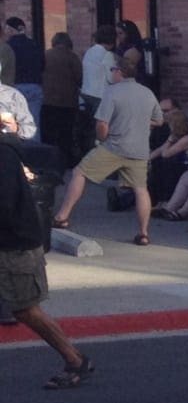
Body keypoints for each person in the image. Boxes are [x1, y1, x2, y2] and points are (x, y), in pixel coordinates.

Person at [0, 136, 89, 389]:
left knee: (25, 309)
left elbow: (4, 203)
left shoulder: (3, 155)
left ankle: (75, 361)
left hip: (15, 246)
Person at [51, 48, 160, 244]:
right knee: (140, 189)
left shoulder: (112, 92)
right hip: (139, 149)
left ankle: (62, 216)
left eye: (113, 70)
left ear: (119, 72)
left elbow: (102, 123)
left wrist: (103, 139)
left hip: (114, 145)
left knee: (79, 172)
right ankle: (144, 233)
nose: (111, 73)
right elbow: (158, 120)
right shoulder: (147, 93)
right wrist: (139, 123)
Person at [38, 33, 82, 169]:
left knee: (48, 134)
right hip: (68, 102)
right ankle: (65, 162)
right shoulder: (73, 57)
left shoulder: (46, 55)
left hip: (48, 101)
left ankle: (49, 162)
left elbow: (39, 74)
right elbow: (79, 78)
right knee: (66, 135)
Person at [77, 25, 116, 161]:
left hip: (86, 93)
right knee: (102, 130)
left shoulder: (89, 52)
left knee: (90, 130)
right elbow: (112, 77)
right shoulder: (108, 55)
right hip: (101, 95)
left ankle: (88, 157)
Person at [5, 17, 41, 124]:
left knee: (12, 123)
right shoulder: (35, 45)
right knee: (33, 122)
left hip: (14, 87)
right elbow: (43, 65)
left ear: (10, 29)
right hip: (34, 86)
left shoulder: (7, 47)